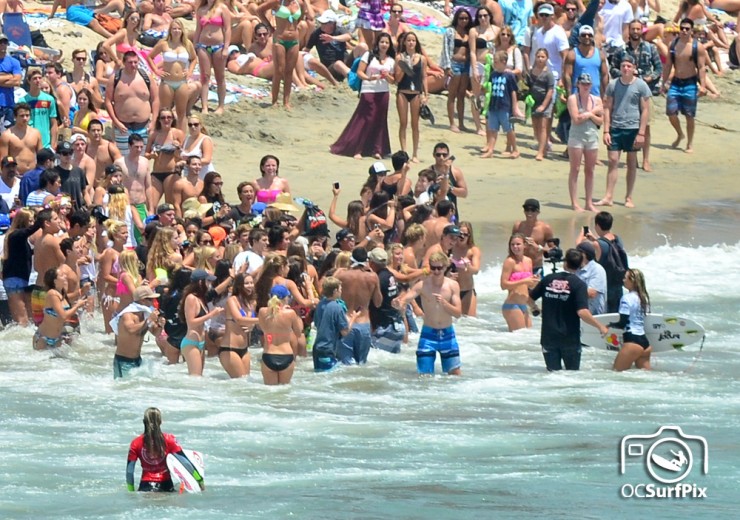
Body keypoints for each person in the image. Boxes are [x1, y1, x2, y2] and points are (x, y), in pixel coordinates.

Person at [529, 248, 608, 371]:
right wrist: (600, 326)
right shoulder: (579, 284)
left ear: (565, 263)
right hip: (569, 338)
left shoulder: (548, 279)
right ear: (580, 265)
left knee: (553, 375)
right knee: (572, 377)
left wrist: (536, 309)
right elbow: (582, 312)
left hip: (548, 337)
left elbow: (529, 298)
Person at [393, 251, 462, 376]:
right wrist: (398, 303)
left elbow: (458, 313)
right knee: (424, 376)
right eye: (433, 268)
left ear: (445, 267)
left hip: (447, 334)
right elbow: (406, 299)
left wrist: (445, 304)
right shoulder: (422, 285)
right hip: (428, 334)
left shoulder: (453, 286)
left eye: (439, 268)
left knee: (455, 375)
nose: (436, 272)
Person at [330, 32, 395, 159]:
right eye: (382, 42)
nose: (384, 45)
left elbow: (393, 80)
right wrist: (369, 78)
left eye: (387, 43)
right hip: (368, 90)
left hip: (383, 91)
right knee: (366, 119)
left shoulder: (391, 60)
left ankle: (377, 149)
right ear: (377, 43)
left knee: (380, 119)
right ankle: (357, 149)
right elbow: (359, 72)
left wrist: (387, 76)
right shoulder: (369, 55)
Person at [599, 55, 650, 208]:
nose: (626, 69)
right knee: (613, 160)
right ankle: (608, 196)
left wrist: (641, 133)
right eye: (623, 66)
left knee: (631, 162)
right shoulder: (613, 85)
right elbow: (607, 108)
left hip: (633, 128)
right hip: (616, 127)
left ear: (634, 68)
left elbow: (645, 110)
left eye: (629, 66)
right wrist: (606, 131)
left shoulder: (641, 86)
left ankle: (628, 197)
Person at [613, 20, 662, 171]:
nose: (635, 32)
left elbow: (659, 68)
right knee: (627, 125)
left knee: (645, 127)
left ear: (642, 31)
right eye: (632, 29)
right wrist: (624, 74)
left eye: (638, 29)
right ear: (629, 30)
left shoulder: (650, 48)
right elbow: (612, 68)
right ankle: (630, 158)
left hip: (645, 91)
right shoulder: (621, 50)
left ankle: (646, 160)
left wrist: (650, 77)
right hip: (626, 91)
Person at [127, 407, 204, 492]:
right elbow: (185, 462)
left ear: (144, 422)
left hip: (145, 486)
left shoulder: (135, 443)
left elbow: (130, 471)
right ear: (160, 422)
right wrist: (199, 480)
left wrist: (131, 491)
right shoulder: (169, 439)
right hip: (165, 485)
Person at [146, 19, 200, 133]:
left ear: (182, 31)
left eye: (179, 29)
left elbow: (194, 58)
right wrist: (156, 70)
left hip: (182, 82)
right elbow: (150, 56)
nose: (177, 31)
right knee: (165, 112)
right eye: (174, 28)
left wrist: (190, 71)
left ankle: (181, 138)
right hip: (167, 81)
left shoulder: (187, 44)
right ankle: (164, 136)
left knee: (182, 113)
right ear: (170, 30)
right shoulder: (164, 43)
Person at [661, 18, 706, 154]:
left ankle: (689, 143)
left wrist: (703, 86)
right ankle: (680, 134)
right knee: (671, 112)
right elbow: (668, 65)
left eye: (687, 28)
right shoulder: (674, 44)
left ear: (692, 30)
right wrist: (663, 83)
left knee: (689, 115)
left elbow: (702, 67)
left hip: (690, 83)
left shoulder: (697, 46)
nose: (684, 31)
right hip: (676, 82)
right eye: (682, 28)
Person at [105, 50, 159, 155]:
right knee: (123, 159)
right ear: (124, 63)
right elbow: (107, 101)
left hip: (144, 126)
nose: (133, 65)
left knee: (142, 158)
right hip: (123, 126)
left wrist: (154, 122)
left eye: (135, 62)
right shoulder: (115, 78)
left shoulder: (146, 77)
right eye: (130, 62)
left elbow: (156, 99)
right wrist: (116, 122)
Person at [334, 247, 382, 365]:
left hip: (345, 322)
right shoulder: (372, 277)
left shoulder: (341, 276)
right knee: (361, 364)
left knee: (344, 364)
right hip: (363, 323)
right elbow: (378, 302)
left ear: (351, 260)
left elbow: (327, 293)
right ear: (366, 260)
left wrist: (336, 273)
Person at [567, 72, 603, 212]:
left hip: (592, 136)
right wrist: (592, 113)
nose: (585, 86)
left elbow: (600, 121)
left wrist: (588, 114)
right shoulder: (573, 99)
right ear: (578, 84)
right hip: (576, 136)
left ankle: (589, 202)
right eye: (583, 84)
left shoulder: (597, 100)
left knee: (590, 170)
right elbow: (576, 119)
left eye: (588, 84)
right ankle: (574, 202)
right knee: (575, 169)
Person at [257, 0, 303, 108]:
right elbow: (259, 10)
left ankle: (286, 101)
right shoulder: (277, 2)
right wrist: (269, 26)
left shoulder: (299, 3)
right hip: (280, 39)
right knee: (279, 70)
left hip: (294, 40)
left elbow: (302, 17)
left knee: (289, 71)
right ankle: (274, 101)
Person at [112, 286, 164, 378]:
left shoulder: (145, 314)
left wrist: (160, 325)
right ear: (143, 300)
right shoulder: (127, 315)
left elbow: (156, 333)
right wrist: (148, 321)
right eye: (151, 300)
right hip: (124, 361)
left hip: (137, 359)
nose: (153, 303)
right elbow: (131, 330)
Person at [179, 268, 223, 376]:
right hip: (191, 342)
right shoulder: (191, 298)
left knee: (200, 377)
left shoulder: (201, 298)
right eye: (208, 281)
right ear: (200, 282)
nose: (210, 284)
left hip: (201, 342)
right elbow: (191, 322)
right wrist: (211, 315)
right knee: (195, 378)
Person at [312, 276, 359, 372]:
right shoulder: (337, 308)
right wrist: (354, 318)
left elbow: (317, 324)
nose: (341, 291)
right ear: (334, 291)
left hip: (316, 349)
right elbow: (345, 332)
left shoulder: (320, 304)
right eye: (340, 289)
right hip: (327, 349)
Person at [34, 267, 87, 351]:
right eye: (62, 275)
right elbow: (63, 316)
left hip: (58, 338)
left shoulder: (61, 293)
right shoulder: (52, 294)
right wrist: (77, 306)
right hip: (44, 338)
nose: (65, 276)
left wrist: (83, 291)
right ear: (55, 281)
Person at [394, 32, 428, 163]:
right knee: (403, 123)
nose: (411, 43)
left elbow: (424, 76)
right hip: (403, 91)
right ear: (404, 42)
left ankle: (415, 153)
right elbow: (397, 78)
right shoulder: (399, 57)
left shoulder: (422, 59)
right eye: (408, 40)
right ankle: (404, 152)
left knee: (415, 124)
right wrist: (404, 66)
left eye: (413, 40)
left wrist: (426, 94)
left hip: (416, 93)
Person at [609, 268, 652, 371]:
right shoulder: (643, 298)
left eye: (625, 278)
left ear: (632, 281)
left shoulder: (626, 298)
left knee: (615, 374)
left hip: (632, 342)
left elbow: (622, 323)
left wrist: (608, 325)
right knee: (647, 378)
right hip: (645, 343)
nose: (623, 280)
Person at [258, 284, 302, 384]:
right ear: (286, 298)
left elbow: (263, 329)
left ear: (270, 296)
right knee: (284, 393)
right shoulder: (290, 313)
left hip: (268, 354)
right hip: (286, 354)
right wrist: (295, 315)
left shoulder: (262, 311)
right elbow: (298, 333)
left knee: (270, 394)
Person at [481, 51, 521, 159]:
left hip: (505, 106)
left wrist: (514, 106)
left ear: (503, 62)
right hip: (494, 105)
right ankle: (490, 150)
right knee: (493, 129)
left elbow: (513, 91)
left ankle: (515, 149)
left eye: (496, 61)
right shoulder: (493, 74)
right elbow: (488, 89)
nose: (494, 63)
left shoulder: (509, 75)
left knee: (509, 129)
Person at [194, 0, 231, 114]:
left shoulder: (222, 8)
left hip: (218, 46)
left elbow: (227, 28)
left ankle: (220, 106)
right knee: (205, 76)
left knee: (220, 77)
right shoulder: (201, 10)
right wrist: (195, 45)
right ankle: (204, 106)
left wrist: (226, 47)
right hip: (203, 45)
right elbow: (198, 29)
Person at [219, 272, 258, 378]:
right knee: (240, 381)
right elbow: (239, 319)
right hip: (229, 348)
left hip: (244, 349)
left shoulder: (252, 302)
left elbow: (250, 321)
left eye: (251, 282)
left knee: (246, 383)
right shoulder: (232, 300)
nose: (250, 285)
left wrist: (252, 326)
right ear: (239, 285)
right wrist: (261, 320)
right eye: (246, 283)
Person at [367, 247, 405, 353]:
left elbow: (376, 304)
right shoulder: (390, 275)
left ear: (372, 263)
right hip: (397, 326)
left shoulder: (378, 279)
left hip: (385, 327)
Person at [440, 9, 472, 134]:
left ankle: (461, 123)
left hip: (466, 65)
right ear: (456, 19)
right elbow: (446, 50)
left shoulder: (469, 32)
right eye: (461, 18)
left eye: (466, 18)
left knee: (462, 94)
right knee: (452, 94)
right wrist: (447, 66)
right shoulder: (450, 32)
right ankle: (452, 123)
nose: (464, 21)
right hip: (454, 64)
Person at [146, 108, 185, 206]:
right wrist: (151, 155)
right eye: (163, 118)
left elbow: (184, 155)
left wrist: (178, 147)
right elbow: (145, 154)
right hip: (156, 173)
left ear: (173, 119)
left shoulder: (178, 133)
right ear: (159, 120)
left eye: (169, 117)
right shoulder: (154, 134)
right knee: (151, 204)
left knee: (170, 205)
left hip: (171, 173)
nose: (166, 120)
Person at [469, 7, 498, 136]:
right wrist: (474, 68)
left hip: (492, 65)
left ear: (489, 16)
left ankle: (488, 123)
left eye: (485, 15)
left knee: (489, 95)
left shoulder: (496, 30)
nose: (482, 18)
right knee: (476, 97)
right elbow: (472, 51)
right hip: (479, 64)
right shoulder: (474, 31)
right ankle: (478, 126)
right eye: (480, 16)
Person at [500, 233, 538, 331]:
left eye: (518, 244)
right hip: (512, 304)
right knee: (520, 337)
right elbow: (503, 285)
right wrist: (524, 281)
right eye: (512, 245)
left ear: (524, 245)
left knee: (527, 338)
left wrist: (534, 281)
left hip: (524, 305)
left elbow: (530, 287)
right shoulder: (509, 262)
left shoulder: (529, 261)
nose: (515, 247)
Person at [511, 198, 554, 277]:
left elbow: (555, 250)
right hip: (519, 266)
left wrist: (538, 247)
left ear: (538, 212)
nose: (529, 213)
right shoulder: (518, 226)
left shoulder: (545, 228)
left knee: (535, 289)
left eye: (533, 210)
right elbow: (510, 246)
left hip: (536, 268)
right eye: (527, 209)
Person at [526, 48, 555, 161]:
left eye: (542, 57)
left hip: (545, 102)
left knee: (543, 127)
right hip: (533, 102)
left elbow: (550, 90)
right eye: (538, 57)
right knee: (536, 127)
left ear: (547, 58)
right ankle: (544, 147)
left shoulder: (548, 73)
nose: (540, 59)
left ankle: (540, 152)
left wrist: (544, 105)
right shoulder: (532, 71)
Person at [0, 104, 43, 175]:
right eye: (22, 116)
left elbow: (41, 156)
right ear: (15, 117)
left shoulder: (36, 133)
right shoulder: (7, 135)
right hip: (15, 175)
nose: (25, 118)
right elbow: (3, 159)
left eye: (27, 115)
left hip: (34, 174)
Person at [21, 68, 58, 150]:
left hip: (46, 145)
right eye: (34, 78)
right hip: (29, 144)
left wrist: (53, 144)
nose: (38, 80)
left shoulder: (49, 99)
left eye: (39, 78)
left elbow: (54, 123)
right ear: (28, 81)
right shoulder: (22, 101)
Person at [451, 221, 481, 317]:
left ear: (469, 235)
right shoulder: (450, 248)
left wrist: (468, 267)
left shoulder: (473, 250)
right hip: (451, 291)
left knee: (469, 323)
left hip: (467, 290)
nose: (462, 237)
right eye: (460, 234)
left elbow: (476, 270)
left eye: (465, 234)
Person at [86, 119, 122, 186]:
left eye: (98, 130)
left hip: (108, 186)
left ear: (102, 132)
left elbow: (120, 167)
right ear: (88, 132)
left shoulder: (110, 147)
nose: (96, 133)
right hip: (91, 186)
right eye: (93, 130)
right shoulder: (85, 148)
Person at [575, 240, 607, 315]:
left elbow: (591, 293)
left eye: (577, 253)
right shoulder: (576, 269)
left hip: (594, 315)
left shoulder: (597, 269)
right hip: (579, 314)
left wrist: (570, 291)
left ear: (583, 255)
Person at [180, 115, 215, 180]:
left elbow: (207, 160)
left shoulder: (205, 139)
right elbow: (180, 155)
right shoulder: (186, 139)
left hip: (204, 176)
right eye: (190, 125)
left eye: (196, 124)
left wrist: (188, 162)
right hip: (189, 176)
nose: (193, 127)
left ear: (201, 126)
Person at [0, 33, 21, 129]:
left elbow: (17, 81)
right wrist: (9, 76)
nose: (2, 44)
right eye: (0, 42)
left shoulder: (14, 62)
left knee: (7, 135)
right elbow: (14, 79)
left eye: (5, 42)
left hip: (8, 104)